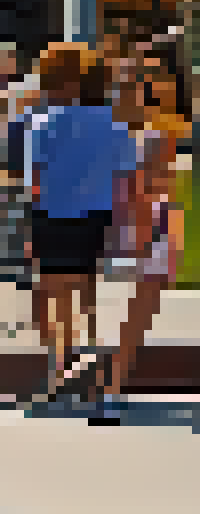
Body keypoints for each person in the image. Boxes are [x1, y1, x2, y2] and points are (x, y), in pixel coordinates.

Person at [25, 43, 139, 403]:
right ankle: (89, 366)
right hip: (97, 218)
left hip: (52, 215)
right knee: (87, 290)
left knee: (53, 294)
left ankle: (59, 366)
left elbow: (34, 182)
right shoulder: (114, 125)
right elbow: (125, 179)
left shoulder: (43, 123)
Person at [105, 50, 186, 416]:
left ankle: (108, 384)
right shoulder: (155, 129)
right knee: (139, 307)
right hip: (146, 220)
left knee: (137, 307)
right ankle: (110, 385)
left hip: (136, 219)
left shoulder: (131, 125)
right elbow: (150, 182)